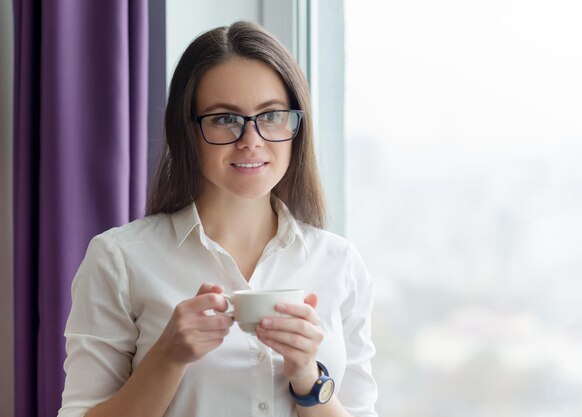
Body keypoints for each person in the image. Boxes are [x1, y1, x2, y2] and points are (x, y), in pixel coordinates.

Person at [58, 21, 377, 417]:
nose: (251, 140)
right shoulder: (119, 259)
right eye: (225, 118)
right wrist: (168, 358)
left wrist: (307, 379)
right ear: (187, 131)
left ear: (298, 127)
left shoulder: (339, 263)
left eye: (272, 115)